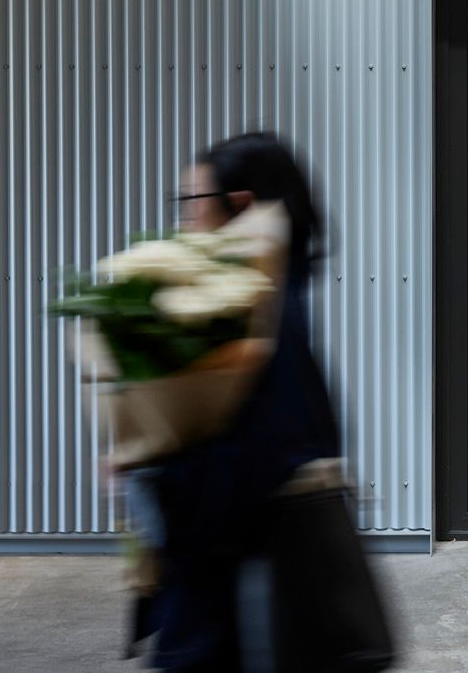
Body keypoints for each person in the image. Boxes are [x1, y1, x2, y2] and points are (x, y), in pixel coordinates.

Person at [138, 132, 353, 671]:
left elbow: (255, 447)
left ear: (237, 205)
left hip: (235, 584)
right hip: (243, 577)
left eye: (191, 202)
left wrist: (152, 462)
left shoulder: (255, 309)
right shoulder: (270, 292)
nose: (183, 218)